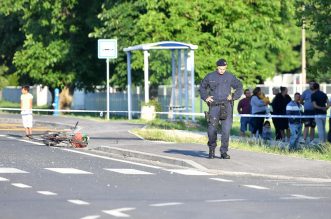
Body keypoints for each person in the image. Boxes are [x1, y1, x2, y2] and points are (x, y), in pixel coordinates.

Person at [199, 58, 243, 159]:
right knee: (211, 130)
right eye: (220, 69)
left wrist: (233, 96)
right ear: (217, 67)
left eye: (224, 69)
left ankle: (223, 152)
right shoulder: (210, 76)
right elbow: (202, 87)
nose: (222, 71)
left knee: (226, 130)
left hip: (227, 106)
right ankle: (212, 149)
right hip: (214, 106)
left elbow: (239, 86)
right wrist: (206, 97)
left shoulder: (230, 76)